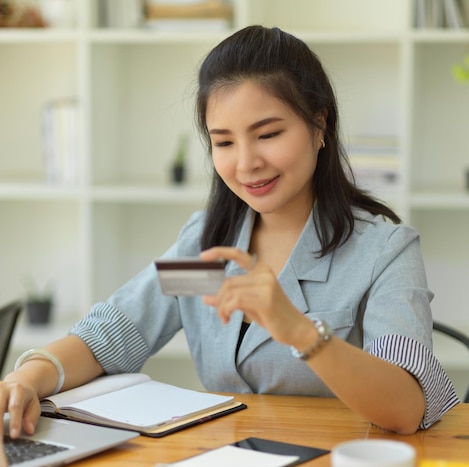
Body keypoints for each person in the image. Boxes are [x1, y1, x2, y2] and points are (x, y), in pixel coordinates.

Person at [1, 25, 458, 438]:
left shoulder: (384, 252)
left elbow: (405, 407)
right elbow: (116, 330)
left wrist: (299, 331)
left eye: (268, 133)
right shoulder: (209, 244)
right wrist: (30, 376)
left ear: (320, 124)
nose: (245, 163)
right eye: (223, 142)